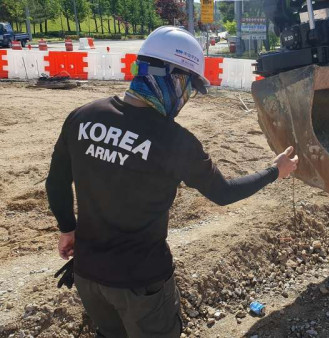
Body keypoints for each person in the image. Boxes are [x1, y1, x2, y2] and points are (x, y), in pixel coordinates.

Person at [45, 26, 298, 338]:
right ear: (172, 77)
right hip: (142, 285)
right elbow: (223, 193)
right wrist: (276, 171)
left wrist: (67, 228)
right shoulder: (175, 142)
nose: (187, 96)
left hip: (88, 275)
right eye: (188, 85)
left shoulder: (82, 117)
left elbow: (56, 182)